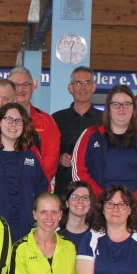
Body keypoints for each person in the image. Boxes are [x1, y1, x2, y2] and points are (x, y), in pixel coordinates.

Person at [71, 85, 137, 211]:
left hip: (134, 211)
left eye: (127, 104)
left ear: (133, 109)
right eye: (116, 104)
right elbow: (79, 172)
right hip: (98, 210)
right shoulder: (90, 135)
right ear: (108, 108)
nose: (121, 108)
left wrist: (133, 204)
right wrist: (103, 201)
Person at [0, 102, 48, 240]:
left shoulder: (32, 153)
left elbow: (43, 189)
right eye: (8, 119)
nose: (13, 124)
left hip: (26, 228)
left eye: (18, 121)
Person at [53, 67, 102, 198]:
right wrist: (59, 159)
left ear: (94, 87)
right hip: (64, 191)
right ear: (70, 88)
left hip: (95, 192)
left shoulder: (105, 120)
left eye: (87, 83)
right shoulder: (56, 119)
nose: (83, 87)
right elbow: (47, 154)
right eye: (78, 83)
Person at [59, 180, 94, 253]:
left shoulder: (96, 236)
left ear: (90, 204)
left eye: (85, 197)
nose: (80, 201)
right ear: (67, 203)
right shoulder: (55, 234)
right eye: (75, 197)